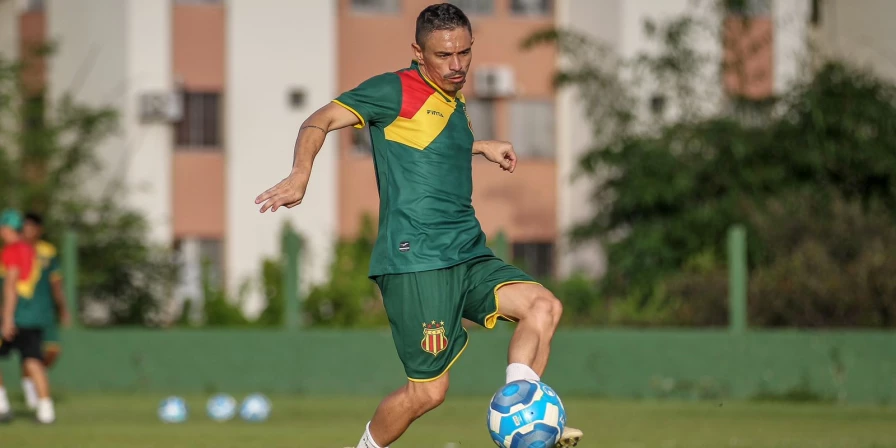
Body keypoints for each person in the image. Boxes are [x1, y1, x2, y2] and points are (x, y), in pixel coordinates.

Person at [254, 4, 582, 447]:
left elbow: (431, 147)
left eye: (465, 53)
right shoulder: (393, 90)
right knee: (428, 392)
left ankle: (522, 415)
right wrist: (300, 174)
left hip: (467, 252)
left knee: (544, 307)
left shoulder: (453, 98)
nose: (458, 65)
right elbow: (319, 120)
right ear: (418, 52)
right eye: (445, 56)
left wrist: (480, 145)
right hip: (417, 260)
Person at [0, 209, 55, 424]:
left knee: (31, 361)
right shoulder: (31, 250)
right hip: (33, 316)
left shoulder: (12, 251)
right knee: (33, 361)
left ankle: (2, 406)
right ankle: (46, 410)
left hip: (16, 315)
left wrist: (7, 318)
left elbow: (11, 285)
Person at [20, 212, 69, 411]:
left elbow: (56, 283)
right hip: (20, 311)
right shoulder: (14, 251)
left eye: (32, 227)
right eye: (25, 227)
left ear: (39, 230)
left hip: (44, 311)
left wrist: (63, 308)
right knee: (30, 354)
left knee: (52, 350)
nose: (28, 231)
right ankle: (30, 389)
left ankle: (30, 380)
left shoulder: (47, 251)